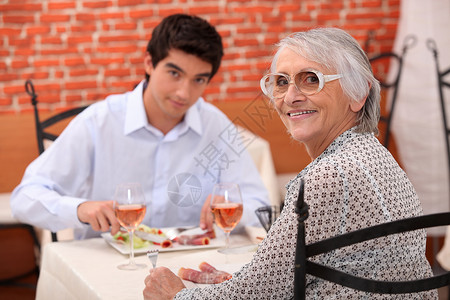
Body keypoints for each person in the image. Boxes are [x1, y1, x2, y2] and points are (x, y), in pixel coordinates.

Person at [143, 27, 437, 299]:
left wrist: (178, 295)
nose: (290, 97)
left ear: (358, 94)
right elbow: (272, 281)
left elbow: (257, 294)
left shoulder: (331, 176)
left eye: (311, 79)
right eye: (281, 82)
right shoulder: (375, 156)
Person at [11, 14, 270, 240]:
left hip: (189, 264)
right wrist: (80, 209)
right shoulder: (99, 122)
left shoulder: (215, 126)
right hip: (107, 264)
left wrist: (234, 209)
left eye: (198, 79)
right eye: (174, 73)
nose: (184, 92)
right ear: (149, 63)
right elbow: (25, 198)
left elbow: (260, 205)